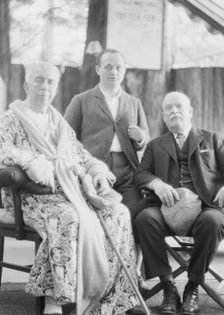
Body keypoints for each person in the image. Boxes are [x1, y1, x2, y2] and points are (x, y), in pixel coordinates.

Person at [0, 61, 140, 315]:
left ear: (55, 88)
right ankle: (56, 301)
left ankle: (114, 297)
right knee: (69, 218)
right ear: (26, 85)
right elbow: (2, 151)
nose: (45, 87)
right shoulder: (10, 119)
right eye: (39, 80)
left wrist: (96, 171)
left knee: (118, 212)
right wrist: (32, 161)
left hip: (67, 192)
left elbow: (80, 154)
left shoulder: (58, 122)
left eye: (50, 82)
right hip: (28, 197)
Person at [134, 91, 224, 315]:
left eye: (179, 107)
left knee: (214, 221)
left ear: (190, 112)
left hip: (205, 208)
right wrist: (156, 184)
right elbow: (140, 174)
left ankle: (193, 286)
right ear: (164, 117)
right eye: (169, 109)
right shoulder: (155, 145)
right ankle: (168, 287)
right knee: (145, 219)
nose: (174, 111)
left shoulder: (213, 138)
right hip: (167, 210)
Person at [64, 48, 150, 217]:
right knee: (96, 217)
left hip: (127, 171)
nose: (114, 72)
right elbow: (66, 137)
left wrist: (141, 138)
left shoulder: (134, 103)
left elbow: (145, 136)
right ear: (98, 70)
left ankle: (130, 245)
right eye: (108, 67)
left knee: (133, 216)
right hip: (93, 169)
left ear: (124, 70)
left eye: (119, 67)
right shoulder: (81, 100)